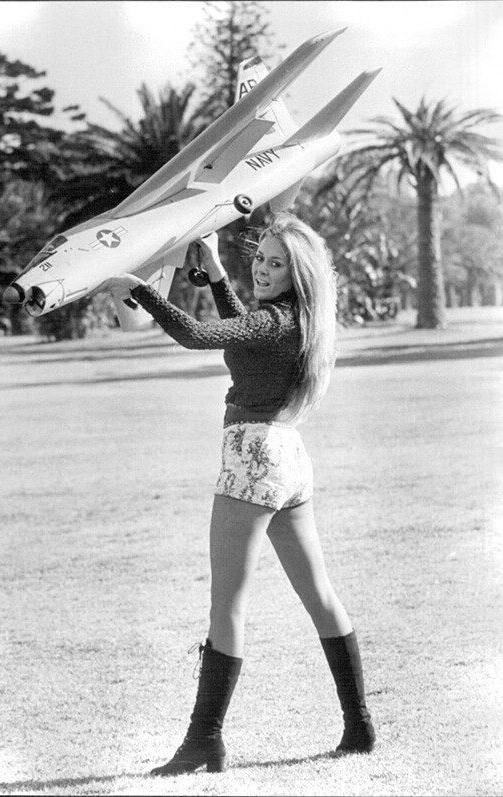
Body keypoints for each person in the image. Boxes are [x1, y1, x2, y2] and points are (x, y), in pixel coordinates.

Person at [98, 211, 376, 776]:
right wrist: (219, 275)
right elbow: (242, 334)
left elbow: (197, 335)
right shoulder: (294, 321)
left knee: (227, 604)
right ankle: (360, 725)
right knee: (319, 595)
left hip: (252, 459)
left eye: (277, 264)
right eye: (260, 259)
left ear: (298, 274)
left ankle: (204, 740)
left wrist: (138, 290)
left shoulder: (274, 321)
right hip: (287, 456)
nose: (263, 269)